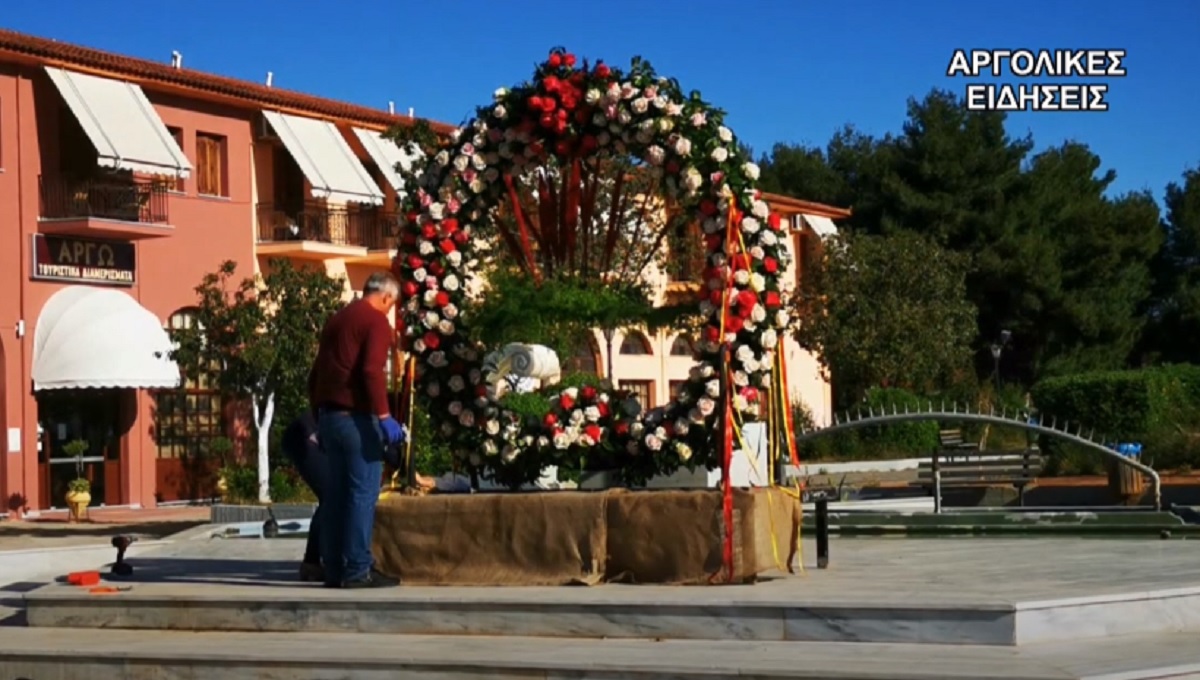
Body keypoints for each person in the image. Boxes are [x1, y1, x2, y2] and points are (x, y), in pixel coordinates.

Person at [308, 272, 407, 589]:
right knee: (361, 495)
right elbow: (370, 370)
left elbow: (315, 374)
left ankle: (335, 567)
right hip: (356, 420)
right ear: (387, 298)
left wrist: (318, 418)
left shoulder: (337, 320)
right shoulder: (375, 321)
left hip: (330, 417)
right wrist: (384, 415)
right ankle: (357, 569)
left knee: (336, 497)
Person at [282, 410, 434, 583]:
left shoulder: (380, 420)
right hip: (306, 436)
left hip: (316, 431)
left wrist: (410, 471)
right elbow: (388, 452)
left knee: (332, 497)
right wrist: (410, 472)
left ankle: (320, 562)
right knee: (331, 495)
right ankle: (317, 563)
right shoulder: (379, 420)